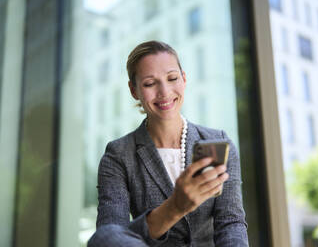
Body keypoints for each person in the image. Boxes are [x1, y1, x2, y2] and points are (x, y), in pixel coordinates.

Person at [88, 41, 249, 247]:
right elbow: (109, 237)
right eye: (149, 83)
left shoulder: (217, 143)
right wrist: (175, 207)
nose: (164, 92)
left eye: (172, 78)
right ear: (134, 90)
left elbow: (231, 223)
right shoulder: (118, 155)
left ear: (184, 78)